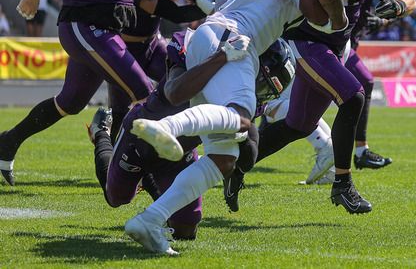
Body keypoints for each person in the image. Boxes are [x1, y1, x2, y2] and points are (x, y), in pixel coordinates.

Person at [123, 0, 361, 253]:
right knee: (240, 117)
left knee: (224, 158)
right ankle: (169, 127)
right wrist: (339, 22)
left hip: (213, 32)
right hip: (236, 40)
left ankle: (150, 220)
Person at [226, 0, 415, 210]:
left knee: (298, 125)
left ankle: (237, 168)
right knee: (353, 95)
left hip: (339, 40)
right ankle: (343, 184)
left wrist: (397, 7)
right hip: (305, 37)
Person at [0, 0, 192, 187]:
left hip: (111, 29)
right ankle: (139, 175)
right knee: (144, 93)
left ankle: (8, 141)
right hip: (82, 22)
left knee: (70, 102)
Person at [90, 32, 293, 251]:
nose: (259, 93)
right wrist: (221, 57)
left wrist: (241, 125)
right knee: (116, 198)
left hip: (180, 153)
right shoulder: (199, 50)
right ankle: (101, 133)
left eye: (266, 90)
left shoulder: (245, 98)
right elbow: (175, 90)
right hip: (141, 138)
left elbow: (248, 157)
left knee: (184, 231)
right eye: (261, 84)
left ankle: (152, 193)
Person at [104, 0, 226, 143]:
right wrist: (210, 6)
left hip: (153, 42)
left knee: (183, 89)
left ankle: (178, 144)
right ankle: (111, 149)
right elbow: (177, 14)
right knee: (120, 111)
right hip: (125, 49)